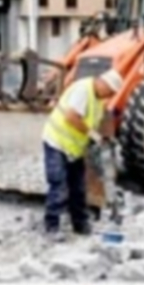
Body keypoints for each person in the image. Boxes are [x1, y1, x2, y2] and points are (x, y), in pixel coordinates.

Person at [41, 69, 124, 236]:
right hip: (56, 142)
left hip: (74, 148)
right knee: (59, 185)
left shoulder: (98, 101)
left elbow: (93, 123)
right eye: (109, 92)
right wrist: (92, 135)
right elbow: (71, 116)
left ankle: (80, 224)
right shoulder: (83, 90)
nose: (108, 96)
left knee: (78, 188)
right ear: (103, 83)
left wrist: (101, 143)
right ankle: (52, 226)